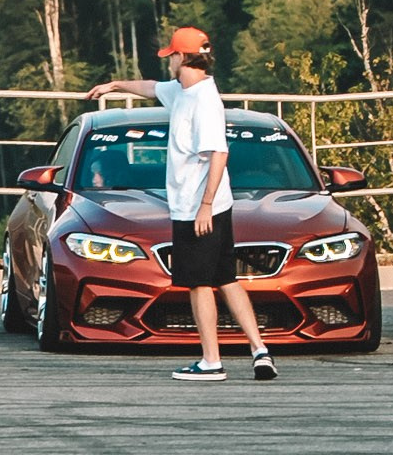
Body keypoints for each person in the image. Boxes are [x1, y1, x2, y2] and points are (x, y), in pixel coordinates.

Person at [89, 26, 277, 385]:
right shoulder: (183, 91)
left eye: (171, 56)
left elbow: (219, 153)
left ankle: (211, 361)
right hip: (210, 205)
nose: (168, 62)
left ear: (181, 57)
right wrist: (115, 86)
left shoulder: (203, 101)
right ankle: (260, 351)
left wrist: (204, 205)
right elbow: (151, 88)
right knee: (226, 279)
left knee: (198, 284)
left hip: (198, 207)